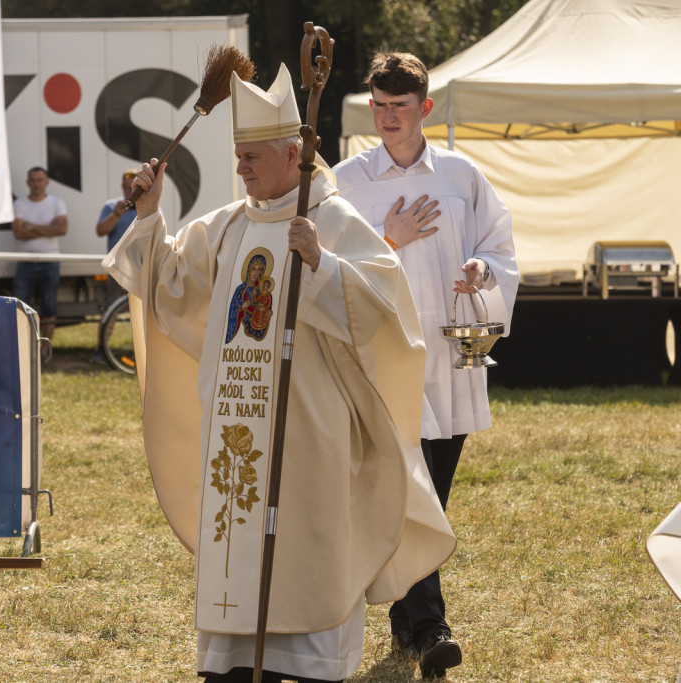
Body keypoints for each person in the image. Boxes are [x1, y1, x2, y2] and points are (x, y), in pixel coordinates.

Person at [103, 64, 455, 683]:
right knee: (238, 550)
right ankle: (233, 664)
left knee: (308, 548)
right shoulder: (230, 224)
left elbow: (385, 310)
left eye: (252, 156)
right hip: (237, 427)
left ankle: (311, 664)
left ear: (295, 153)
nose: (241, 168)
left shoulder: (337, 222)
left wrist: (320, 263)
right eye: (238, 156)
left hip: (310, 432)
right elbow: (167, 285)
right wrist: (150, 214)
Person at [331, 51, 519, 678]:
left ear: (424, 108)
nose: (386, 118)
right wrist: (388, 239)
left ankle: (405, 615)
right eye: (379, 107)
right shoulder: (348, 181)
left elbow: (499, 245)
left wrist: (481, 270)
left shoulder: (462, 176)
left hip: (451, 353)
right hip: (385, 358)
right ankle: (434, 627)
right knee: (410, 491)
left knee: (431, 494)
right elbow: (322, 265)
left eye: (399, 107)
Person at [12, 167, 67, 360]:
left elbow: (62, 228)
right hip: (26, 261)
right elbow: (18, 233)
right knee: (20, 307)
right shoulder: (20, 203)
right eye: (33, 180)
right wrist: (48, 229)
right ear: (28, 183)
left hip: (50, 261)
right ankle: (24, 350)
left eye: (40, 180)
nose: (36, 184)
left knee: (49, 307)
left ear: (46, 182)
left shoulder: (56, 203)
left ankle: (44, 351)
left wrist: (32, 227)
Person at [89, 169, 139, 364]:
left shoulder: (150, 206)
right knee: (109, 310)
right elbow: (100, 231)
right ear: (122, 187)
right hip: (116, 268)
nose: (129, 192)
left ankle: (139, 353)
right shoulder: (111, 206)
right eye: (126, 188)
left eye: (132, 188)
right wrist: (116, 215)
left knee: (139, 313)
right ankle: (100, 350)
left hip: (139, 268)